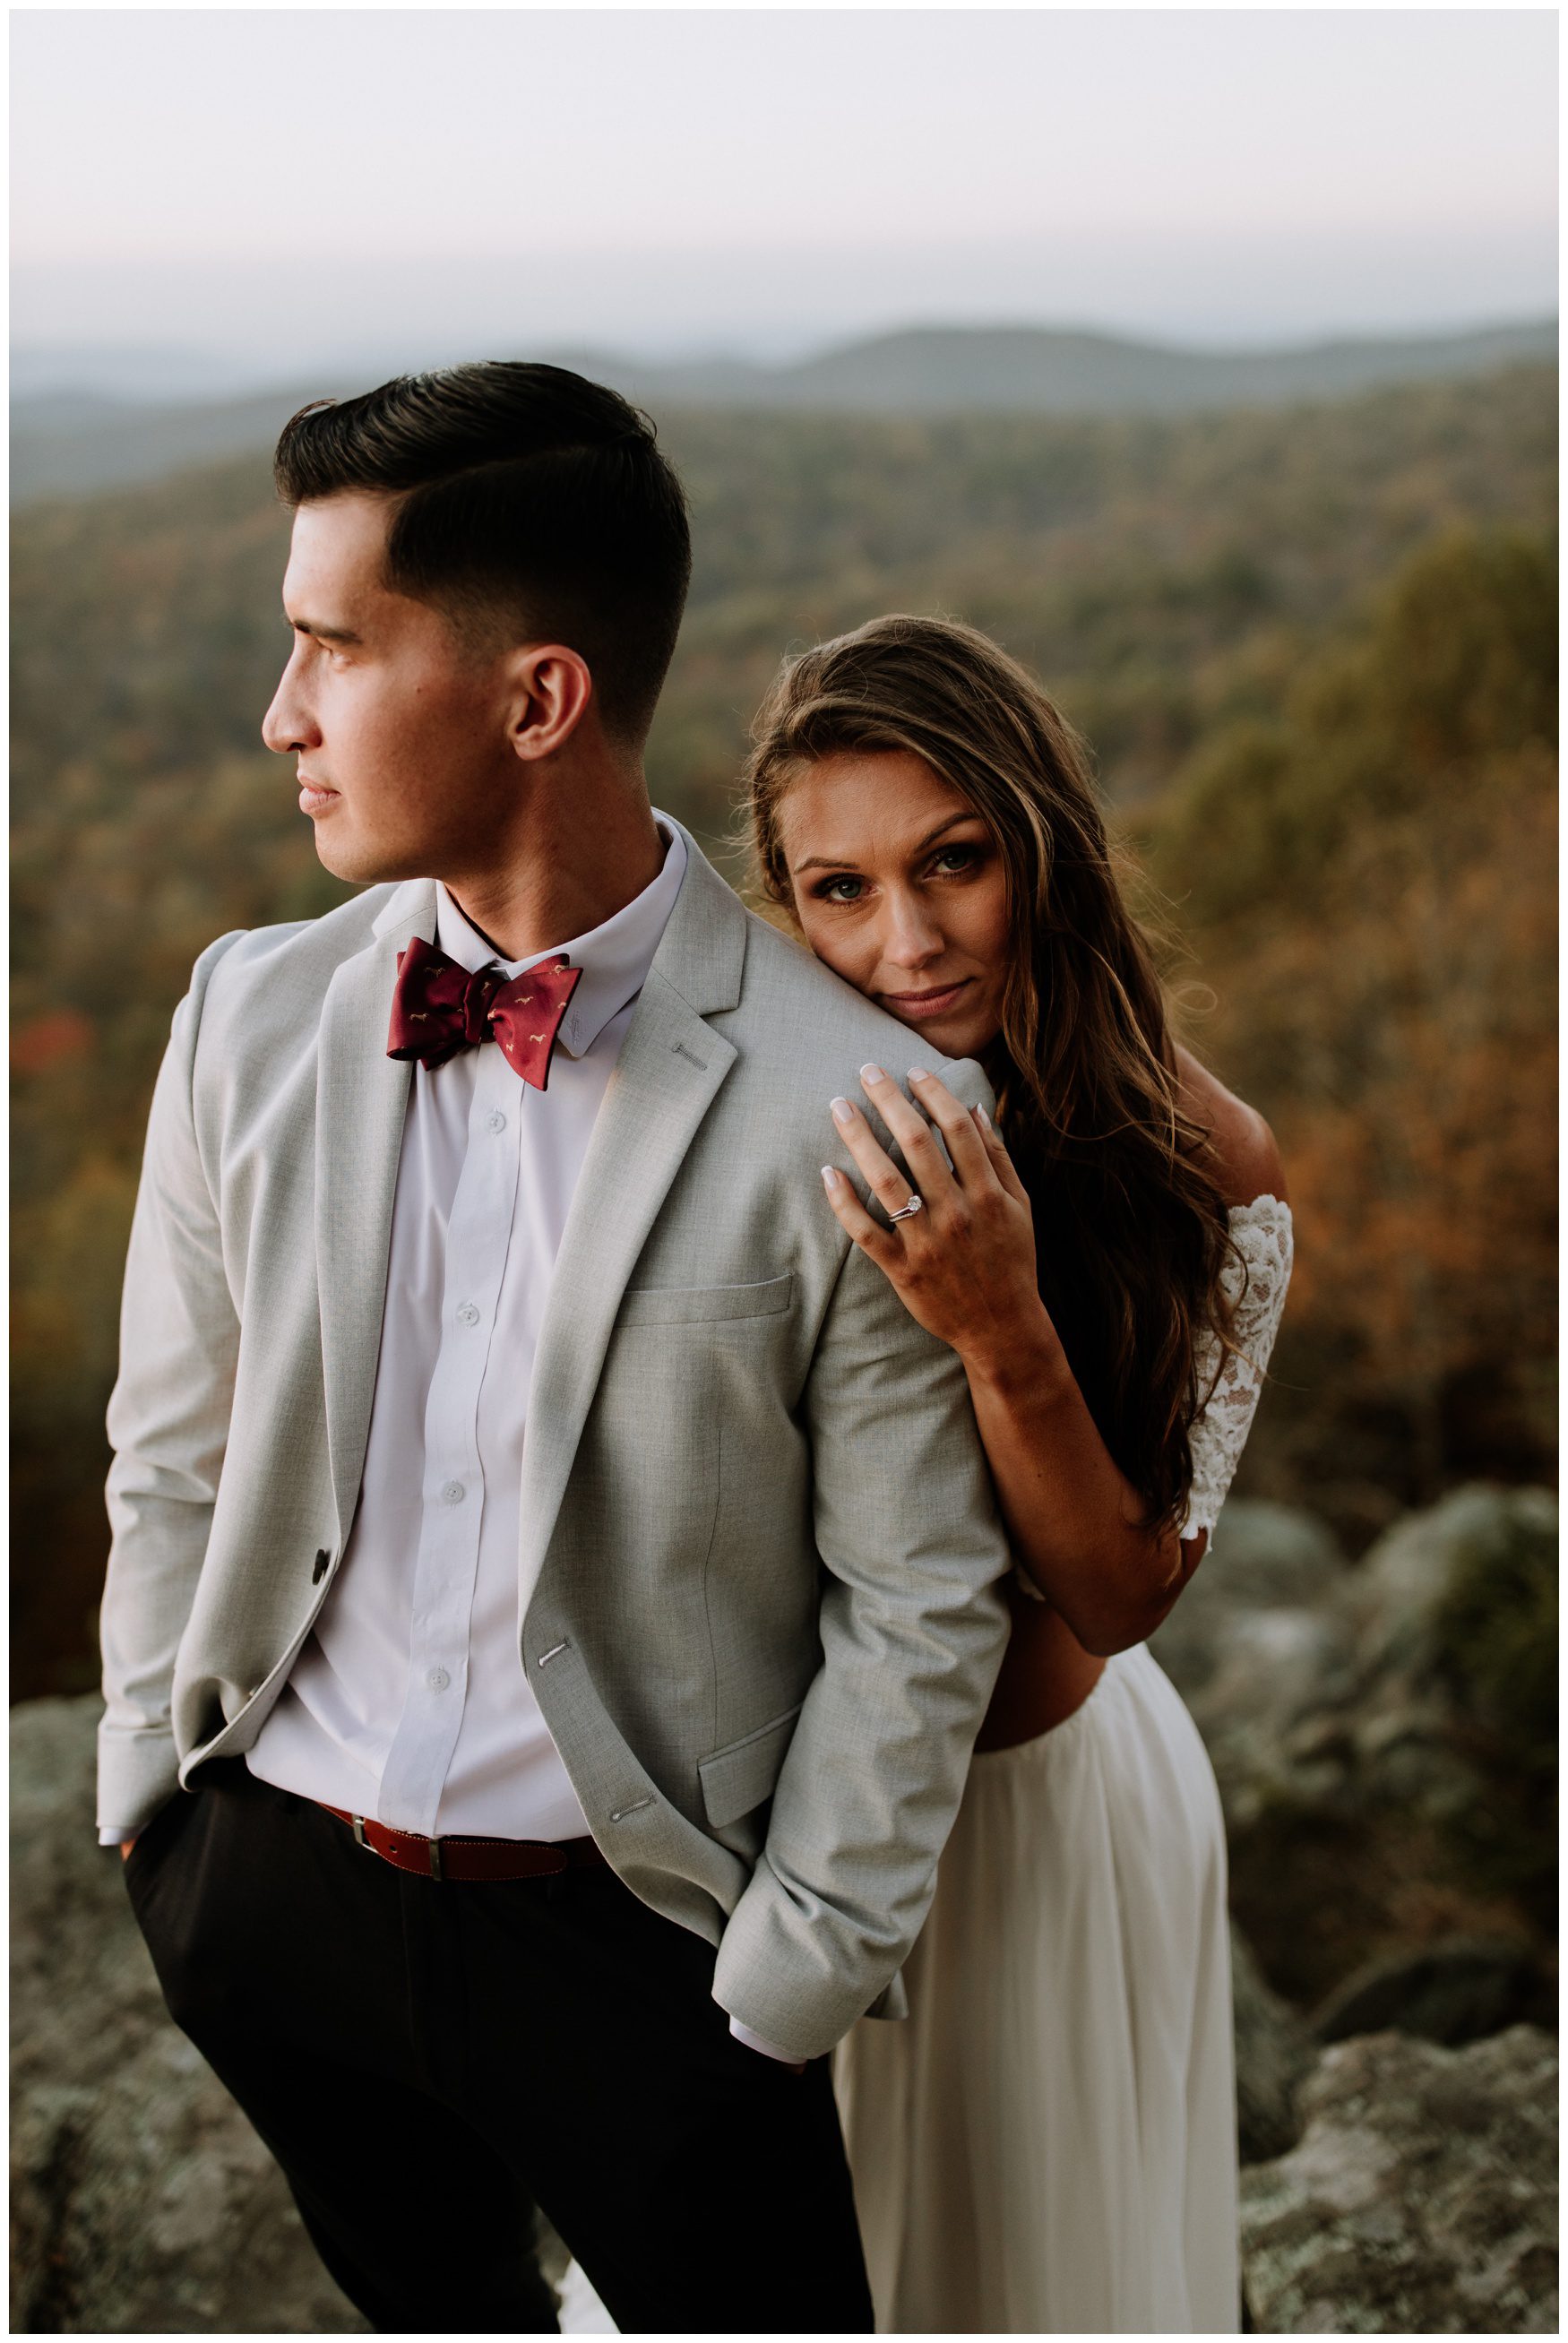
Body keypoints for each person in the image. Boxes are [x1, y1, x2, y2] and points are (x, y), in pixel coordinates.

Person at [95, 368, 1019, 2336]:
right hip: (275, 1899)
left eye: (332, 647)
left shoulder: (854, 1097)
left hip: (646, 1964)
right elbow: (170, 1452)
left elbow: (918, 1594)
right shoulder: (245, 1019)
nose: (282, 714)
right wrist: (152, 1811)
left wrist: (790, 1980)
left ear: (536, 702)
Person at [744, 614, 1294, 2333]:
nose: (902, 943)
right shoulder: (764, 1116)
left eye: (952, 864)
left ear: (1037, 843)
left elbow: (1125, 1589)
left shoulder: (1197, 1161)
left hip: (1043, 1831)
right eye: (835, 891)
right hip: (796, 1815)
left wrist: (1002, 1324)